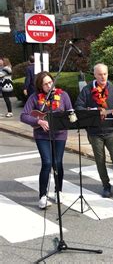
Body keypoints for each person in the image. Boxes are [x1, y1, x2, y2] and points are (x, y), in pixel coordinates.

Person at [20, 71, 73, 209]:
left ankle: (58, 191)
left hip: (60, 134)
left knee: (58, 163)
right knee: (47, 162)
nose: (50, 85)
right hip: (42, 135)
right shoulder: (34, 98)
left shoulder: (63, 96)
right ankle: (42, 196)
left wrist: (73, 118)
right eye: (46, 84)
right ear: (40, 86)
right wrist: (39, 121)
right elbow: (24, 116)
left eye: (51, 82)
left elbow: (71, 113)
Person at [75, 63, 113, 199]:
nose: (103, 77)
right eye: (100, 74)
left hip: (111, 130)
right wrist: (92, 112)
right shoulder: (87, 90)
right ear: (94, 75)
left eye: (105, 74)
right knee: (100, 160)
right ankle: (106, 185)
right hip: (94, 132)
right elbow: (79, 107)